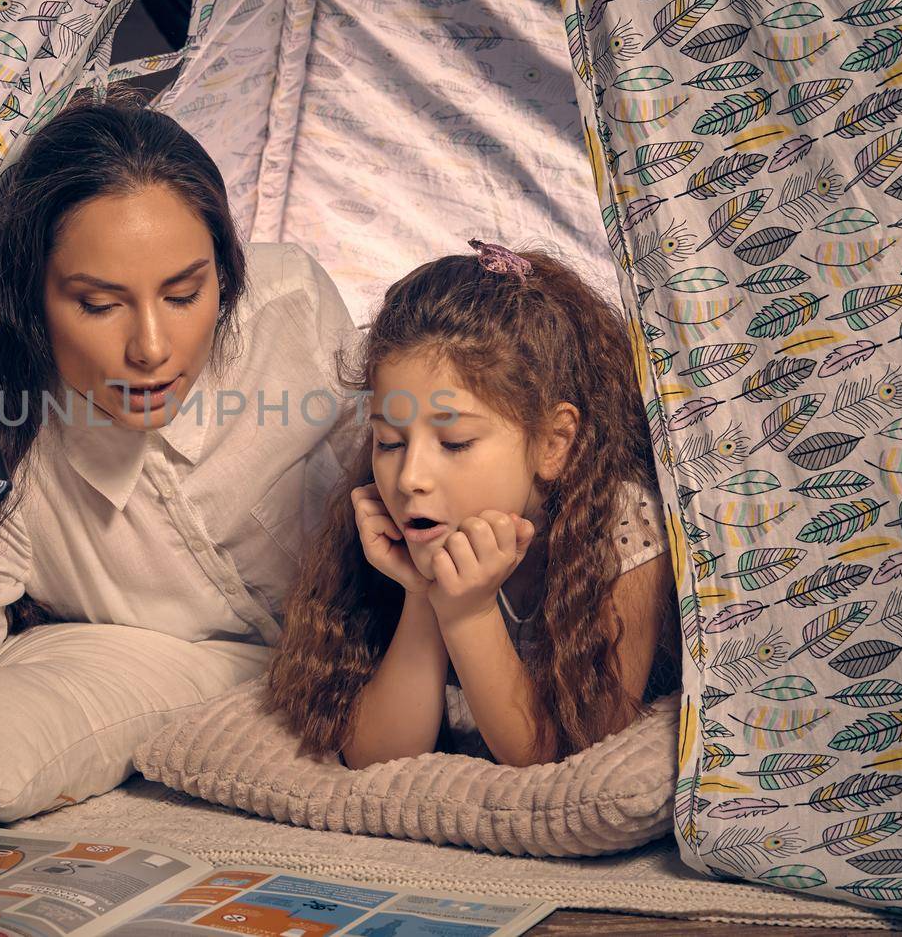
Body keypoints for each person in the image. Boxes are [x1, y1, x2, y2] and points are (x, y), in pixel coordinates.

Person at [0, 91, 364, 678]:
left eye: (184, 295)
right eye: (100, 305)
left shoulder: (291, 303)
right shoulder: (9, 443)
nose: (152, 348)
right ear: (32, 301)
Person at [266, 242, 677, 768]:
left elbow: (563, 757)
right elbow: (379, 757)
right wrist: (425, 591)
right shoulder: (390, 519)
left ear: (554, 442)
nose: (410, 478)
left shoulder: (624, 523)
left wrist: (468, 611)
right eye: (390, 443)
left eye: (454, 443)